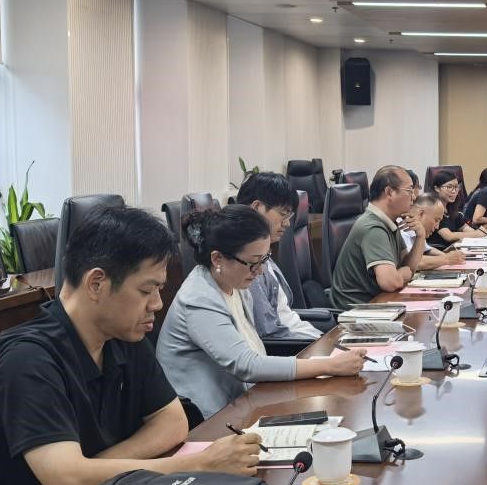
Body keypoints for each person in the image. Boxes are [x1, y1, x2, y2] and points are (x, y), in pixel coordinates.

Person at [0, 205, 265, 485]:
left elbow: (171, 422)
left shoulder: (122, 335)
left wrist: (91, 475)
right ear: (96, 283)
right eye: (146, 290)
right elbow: (66, 481)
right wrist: (196, 465)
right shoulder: (27, 360)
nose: (157, 304)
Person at [157, 205, 365, 420]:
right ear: (217, 258)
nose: (260, 270)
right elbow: (246, 365)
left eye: (265, 259)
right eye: (253, 262)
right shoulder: (199, 299)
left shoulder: (235, 283)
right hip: (208, 419)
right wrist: (330, 365)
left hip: (244, 400)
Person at [235, 171, 321, 342]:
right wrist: (321, 348)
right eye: (283, 214)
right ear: (257, 207)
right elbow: (269, 332)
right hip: (291, 347)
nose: (287, 223)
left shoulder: (263, 250)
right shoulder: (245, 261)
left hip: (302, 338)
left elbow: (285, 316)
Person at [330, 164, 426, 307]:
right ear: (389, 192)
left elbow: (409, 268)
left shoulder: (389, 222)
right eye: (409, 191)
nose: (414, 197)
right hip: (358, 311)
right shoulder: (373, 227)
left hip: (379, 303)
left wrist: (420, 236)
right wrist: (402, 274)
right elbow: (390, 282)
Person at [405, 194, 468, 270]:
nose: (437, 227)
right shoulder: (403, 229)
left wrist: (454, 257)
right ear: (421, 214)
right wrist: (447, 259)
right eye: (436, 220)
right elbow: (414, 263)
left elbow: (428, 249)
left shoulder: (416, 228)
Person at [428, 169, 482, 249]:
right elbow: (449, 236)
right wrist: (477, 233)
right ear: (437, 188)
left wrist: (477, 232)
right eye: (449, 187)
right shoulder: (433, 209)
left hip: (453, 250)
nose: (454, 191)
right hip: (439, 252)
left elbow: (466, 229)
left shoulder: (452, 209)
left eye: (456, 187)